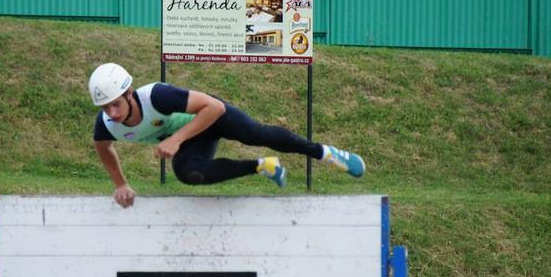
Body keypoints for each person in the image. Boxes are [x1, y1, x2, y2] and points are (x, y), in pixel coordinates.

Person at [89, 63, 365, 208]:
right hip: (193, 137)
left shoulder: (157, 96)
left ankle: (324, 152)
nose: (112, 113)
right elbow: (103, 147)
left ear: (129, 93)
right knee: (187, 173)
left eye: (116, 104)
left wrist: (175, 139)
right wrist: (121, 184)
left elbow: (214, 106)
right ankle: (262, 166)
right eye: (105, 107)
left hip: (212, 116)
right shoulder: (107, 125)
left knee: (256, 134)